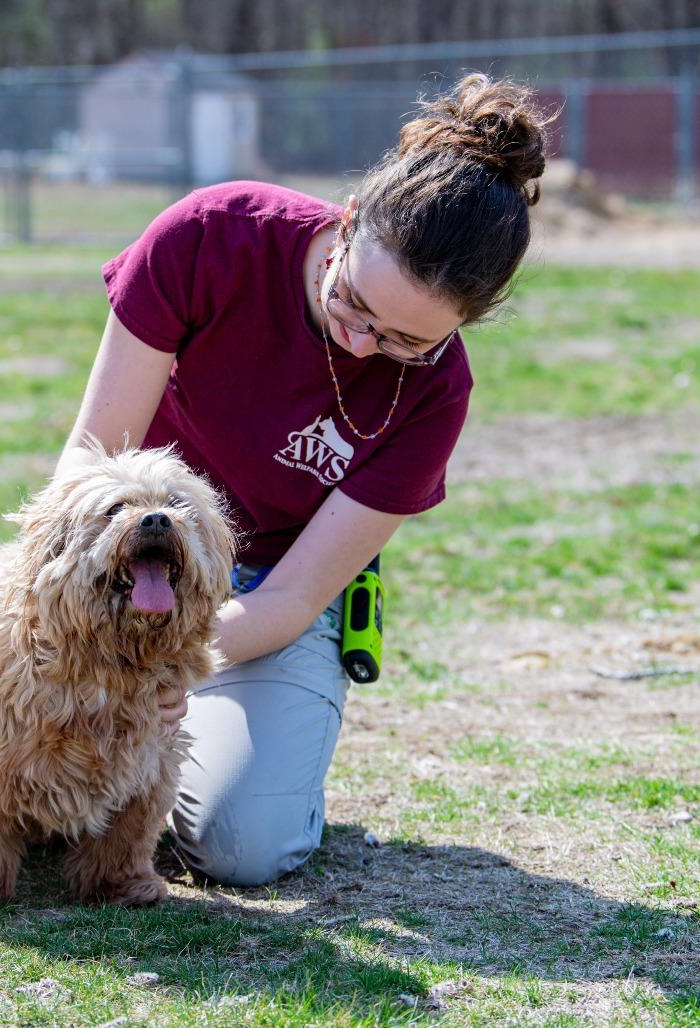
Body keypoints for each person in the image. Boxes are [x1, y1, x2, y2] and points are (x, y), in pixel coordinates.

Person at [55, 73, 550, 887]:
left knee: (243, 845)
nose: (361, 345)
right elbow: (89, 455)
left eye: (402, 342)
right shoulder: (211, 235)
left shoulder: (437, 396)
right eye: (354, 303)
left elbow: (290, 600)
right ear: (347, 224)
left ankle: (182, 762)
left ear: (462, 327)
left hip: (264, 592)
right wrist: (84, 626)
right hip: (120, 558)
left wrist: (164, 668)